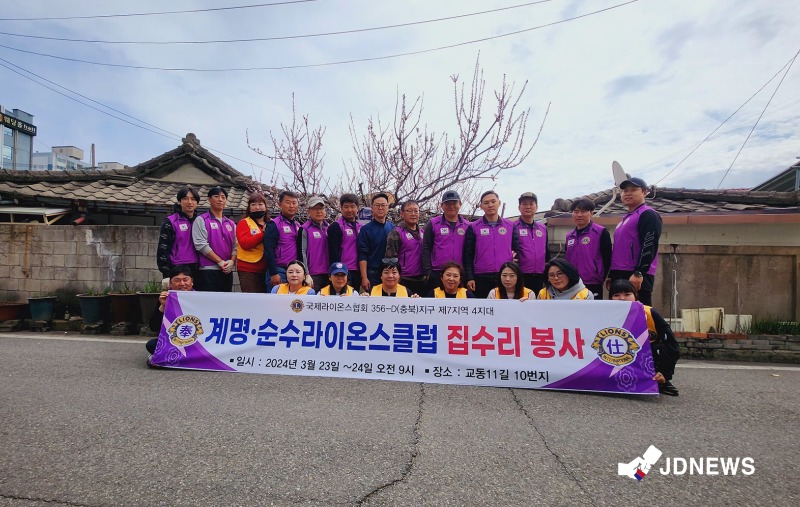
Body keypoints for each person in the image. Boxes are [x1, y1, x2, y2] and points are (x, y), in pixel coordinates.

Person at [609, 279, 680, 396]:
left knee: (660, 348)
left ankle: (660, 381)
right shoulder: (604, 315)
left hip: (645, 358)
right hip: (615, 357)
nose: (622, 298)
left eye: (627, 294)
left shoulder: (649, 313)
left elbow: (672, 345)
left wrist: (665, 373)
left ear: (635, 295)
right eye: (616, 295)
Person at [608, 176, 662, 306]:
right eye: (625, 191)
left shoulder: (648, 214)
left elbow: (649, 245)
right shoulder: (626, 218)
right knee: (619, 314)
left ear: (644, 192)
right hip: (619, 273)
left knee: (639, 313)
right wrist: (611, 274)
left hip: (635, 274)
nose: (628, 193)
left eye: (633, 190)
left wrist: (639, 272)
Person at [463, 191, 519, 298]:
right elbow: (468, 255)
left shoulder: (510, 226)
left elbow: (517, 250)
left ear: (499, 203)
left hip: (505, 275)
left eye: (493, 201)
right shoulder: (473, 227)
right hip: (481, 276)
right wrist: (470, 277)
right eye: (486, 203)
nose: (490, 205)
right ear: (481, 206)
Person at [422, 189, 470, 294]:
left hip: (459, 274)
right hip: (437, 273)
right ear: (441, 206)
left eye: (454, 203)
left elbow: (470, 252)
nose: (451, 206)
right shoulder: (433, 224)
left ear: (460, 204)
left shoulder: (468, 226)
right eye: (447, 203)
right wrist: (428, 272)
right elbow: (426, 248)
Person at [145, 265, 194, 365]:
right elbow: (154, 327)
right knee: (152, 344)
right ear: (170, 284)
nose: (182, 284)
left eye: (185, 280)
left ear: (192, 282)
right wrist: (163, 306)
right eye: (177, 280)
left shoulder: (201, 298)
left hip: (196, 341)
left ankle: (166, 357)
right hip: (174, 340)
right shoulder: (166, 298)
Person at [564, 198, 612, 299]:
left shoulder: (601, 232)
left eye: (583, 211)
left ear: (591, 213)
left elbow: (608, 257)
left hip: (593, 282)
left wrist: (602, 276)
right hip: (572, 282)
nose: (579, 215)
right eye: (576, 211)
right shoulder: (569, 236)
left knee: (593, 308)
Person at [192, 186, 237, 292]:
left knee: (225, 301)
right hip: (208, 270)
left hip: (227, 271)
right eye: (216, 196)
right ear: (209, 199)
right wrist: (220, 261)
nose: (220, 199)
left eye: (223, 197)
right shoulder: (201, 220)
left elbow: (236, 245)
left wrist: (232, 261)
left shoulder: (231, 223)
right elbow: (200, 244)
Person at [156, 186, 200, 278]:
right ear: (179, 201)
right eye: (185, 198)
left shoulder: (201, 221)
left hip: (198, 268)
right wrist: (166, 273)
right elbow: (163, 249)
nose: (190, 202)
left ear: (197, 202)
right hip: (176, 268)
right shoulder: (170, 221)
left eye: (193, 199)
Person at [385, 200, 426, 296]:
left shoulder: (423, 232)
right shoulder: (397, 232)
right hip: (404, 279)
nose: (413, 214)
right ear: (402, 214)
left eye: (416, 211)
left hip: (421, 279)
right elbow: (390, 258)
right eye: (409, 211)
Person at [357, 193, 395, 292]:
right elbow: (362, 255)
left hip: (390, 273)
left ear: (388, 207)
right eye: (377, 205)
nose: (380, 208)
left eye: (383, 205)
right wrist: (364, 277)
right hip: (373, 273)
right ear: (372, 208)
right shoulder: (366, 229)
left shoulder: (393, 228)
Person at [264, 190, 301, 292]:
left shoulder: (298, 225)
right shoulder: (274, 224)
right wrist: (273, 273)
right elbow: (268, 249)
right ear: (280, 204)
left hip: (294, 271)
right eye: (288, 202)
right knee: (277, 301)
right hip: (279, 271)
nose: (291, 206)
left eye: (294, 203)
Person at [514, 192, 550, 294]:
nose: (528, 207)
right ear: (519, 208)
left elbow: (546, 251)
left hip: (540, 275)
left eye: (531, 204)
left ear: (536, 207)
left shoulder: (543, 228)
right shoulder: (513, 227)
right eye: (524, 204)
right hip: (521, 275)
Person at [327, 193, 362, 290]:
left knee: (355, 296)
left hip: (358, 271)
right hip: (342, 271)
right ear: (341, 208)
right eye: (346, 207)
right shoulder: (336, 226)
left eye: (352, 206)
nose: (349, 210)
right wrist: (337, 271)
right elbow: (333, 252)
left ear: (357, 208)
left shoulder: (361, 227)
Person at [236, 193, 268, 293]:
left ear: (266, 207)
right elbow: (245, 244)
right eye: (253, 204)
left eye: (260, 204)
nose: (257, 207)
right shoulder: (244, 223)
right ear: (249, 208)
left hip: (267, 269)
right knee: (251, 299)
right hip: (248, 269)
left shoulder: (270, 223)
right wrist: (263, 234)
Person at [299, 195, 330, 291]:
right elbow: (302, 252)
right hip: (313, 274)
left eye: (321, 208)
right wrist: (306, 274)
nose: (319, 211)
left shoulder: (329, 228)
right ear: (308, 211)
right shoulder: (304, 229)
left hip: (329, 274)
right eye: (315, 209)